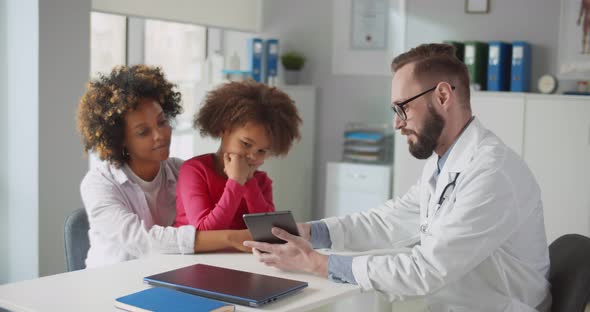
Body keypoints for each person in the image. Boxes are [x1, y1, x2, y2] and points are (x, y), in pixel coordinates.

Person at [244, 44, 551, 311]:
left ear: (442, 95)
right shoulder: (444, 162)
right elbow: (388, 220)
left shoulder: (492, 172)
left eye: (402, 108)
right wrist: (310, 232)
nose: (396, 123)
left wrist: (315, 263)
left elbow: (426, 270)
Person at [77, 65, 251, 268]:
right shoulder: (99, 183)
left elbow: (215, 220)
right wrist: (229, 238)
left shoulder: (182, 171)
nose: (160, 135)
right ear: (120, 140)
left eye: (162, 122)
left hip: (169, 277)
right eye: (143, 132)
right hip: (111, 284)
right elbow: (144, 242)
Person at [174, 80, 302, 230]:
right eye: (246, 144)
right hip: (198, 253)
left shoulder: (261, 182)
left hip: (241, 254)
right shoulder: (194, 170)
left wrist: (249, 183)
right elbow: (204, 230)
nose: (252, 156)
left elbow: (269, 232)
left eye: (261, 151)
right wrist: (236, 182)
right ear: (223, 129)